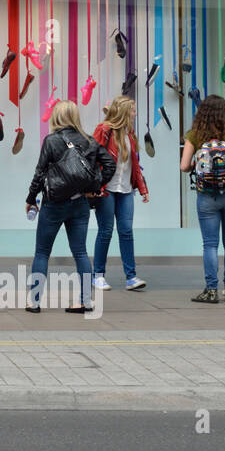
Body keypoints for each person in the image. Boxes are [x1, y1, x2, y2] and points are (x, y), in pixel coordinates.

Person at [25, 100, 115, 313]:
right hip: (80, 203)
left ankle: (34, 302)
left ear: (56, 117)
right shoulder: (89, 141)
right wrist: (95, 185)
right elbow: (110, 163)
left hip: (53, 204)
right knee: (81, 253)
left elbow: (39, 173)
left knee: (42, 253)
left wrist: (31, 198)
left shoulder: (51, 141)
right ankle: (84, 301)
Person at [180, 94, 225, 304]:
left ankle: (211, 290)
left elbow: (184, 166)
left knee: (210, 244)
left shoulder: (194, 134)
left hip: (207, 195)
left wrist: (195, 165)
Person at [91, 96, 150, 292]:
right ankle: (98, 275)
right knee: (106, 231)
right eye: (133, 110)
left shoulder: (129, 134)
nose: (135, 114)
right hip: (106, 189)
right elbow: (91, 157)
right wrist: (94, 186)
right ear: (125, 112)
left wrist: (142, 188)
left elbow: (133, 164)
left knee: (126, 231)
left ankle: (131, 277)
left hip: (125, 190)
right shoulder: (104, 130)